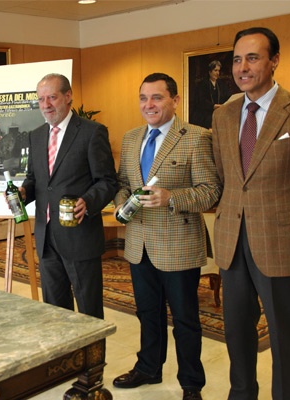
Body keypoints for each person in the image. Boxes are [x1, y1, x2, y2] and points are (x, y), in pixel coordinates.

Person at [211, 27, 290, 399]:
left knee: (285, 335)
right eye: (237, 59)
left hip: (282, 243)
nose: (242, 67)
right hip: (231, 242)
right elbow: (225, 175)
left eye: (252, 58)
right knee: (237, 330)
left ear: (274, 61)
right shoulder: (223, 115)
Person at [112, 73, 221, 400]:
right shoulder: (131, 138)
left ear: (175, 100)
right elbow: (123, 183)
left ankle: (191, 384)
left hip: (178, 245)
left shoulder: (196, 137)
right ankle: (148, 368)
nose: (149, 104)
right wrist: (121, 203)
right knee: (147, 313)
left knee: (185, 319)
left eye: (157, 97)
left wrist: (171, 197)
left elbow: (210, 191)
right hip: (138, 244)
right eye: (143, 98)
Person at [20, 73, 117, 319]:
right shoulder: (36, 135)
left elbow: (107, 181)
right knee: (55, 313)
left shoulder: (91, 132)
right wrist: (23, 192)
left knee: (89, 314)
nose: (46, 105)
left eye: (52, 97)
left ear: (68, 96)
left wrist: (89, 201)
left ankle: (93, 348)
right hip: (46, 238)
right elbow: (35, 179)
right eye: (41, 99)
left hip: (80, 237)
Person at [190, 60, 232, 129]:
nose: (217, 73)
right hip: (205, 117)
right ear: (210, 72)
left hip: (219, 116)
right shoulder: (202, 84)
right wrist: (213, 106)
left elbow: (228, 97)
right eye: (215, 70)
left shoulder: (221, 85)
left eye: (218, 71)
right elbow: (201, 100)